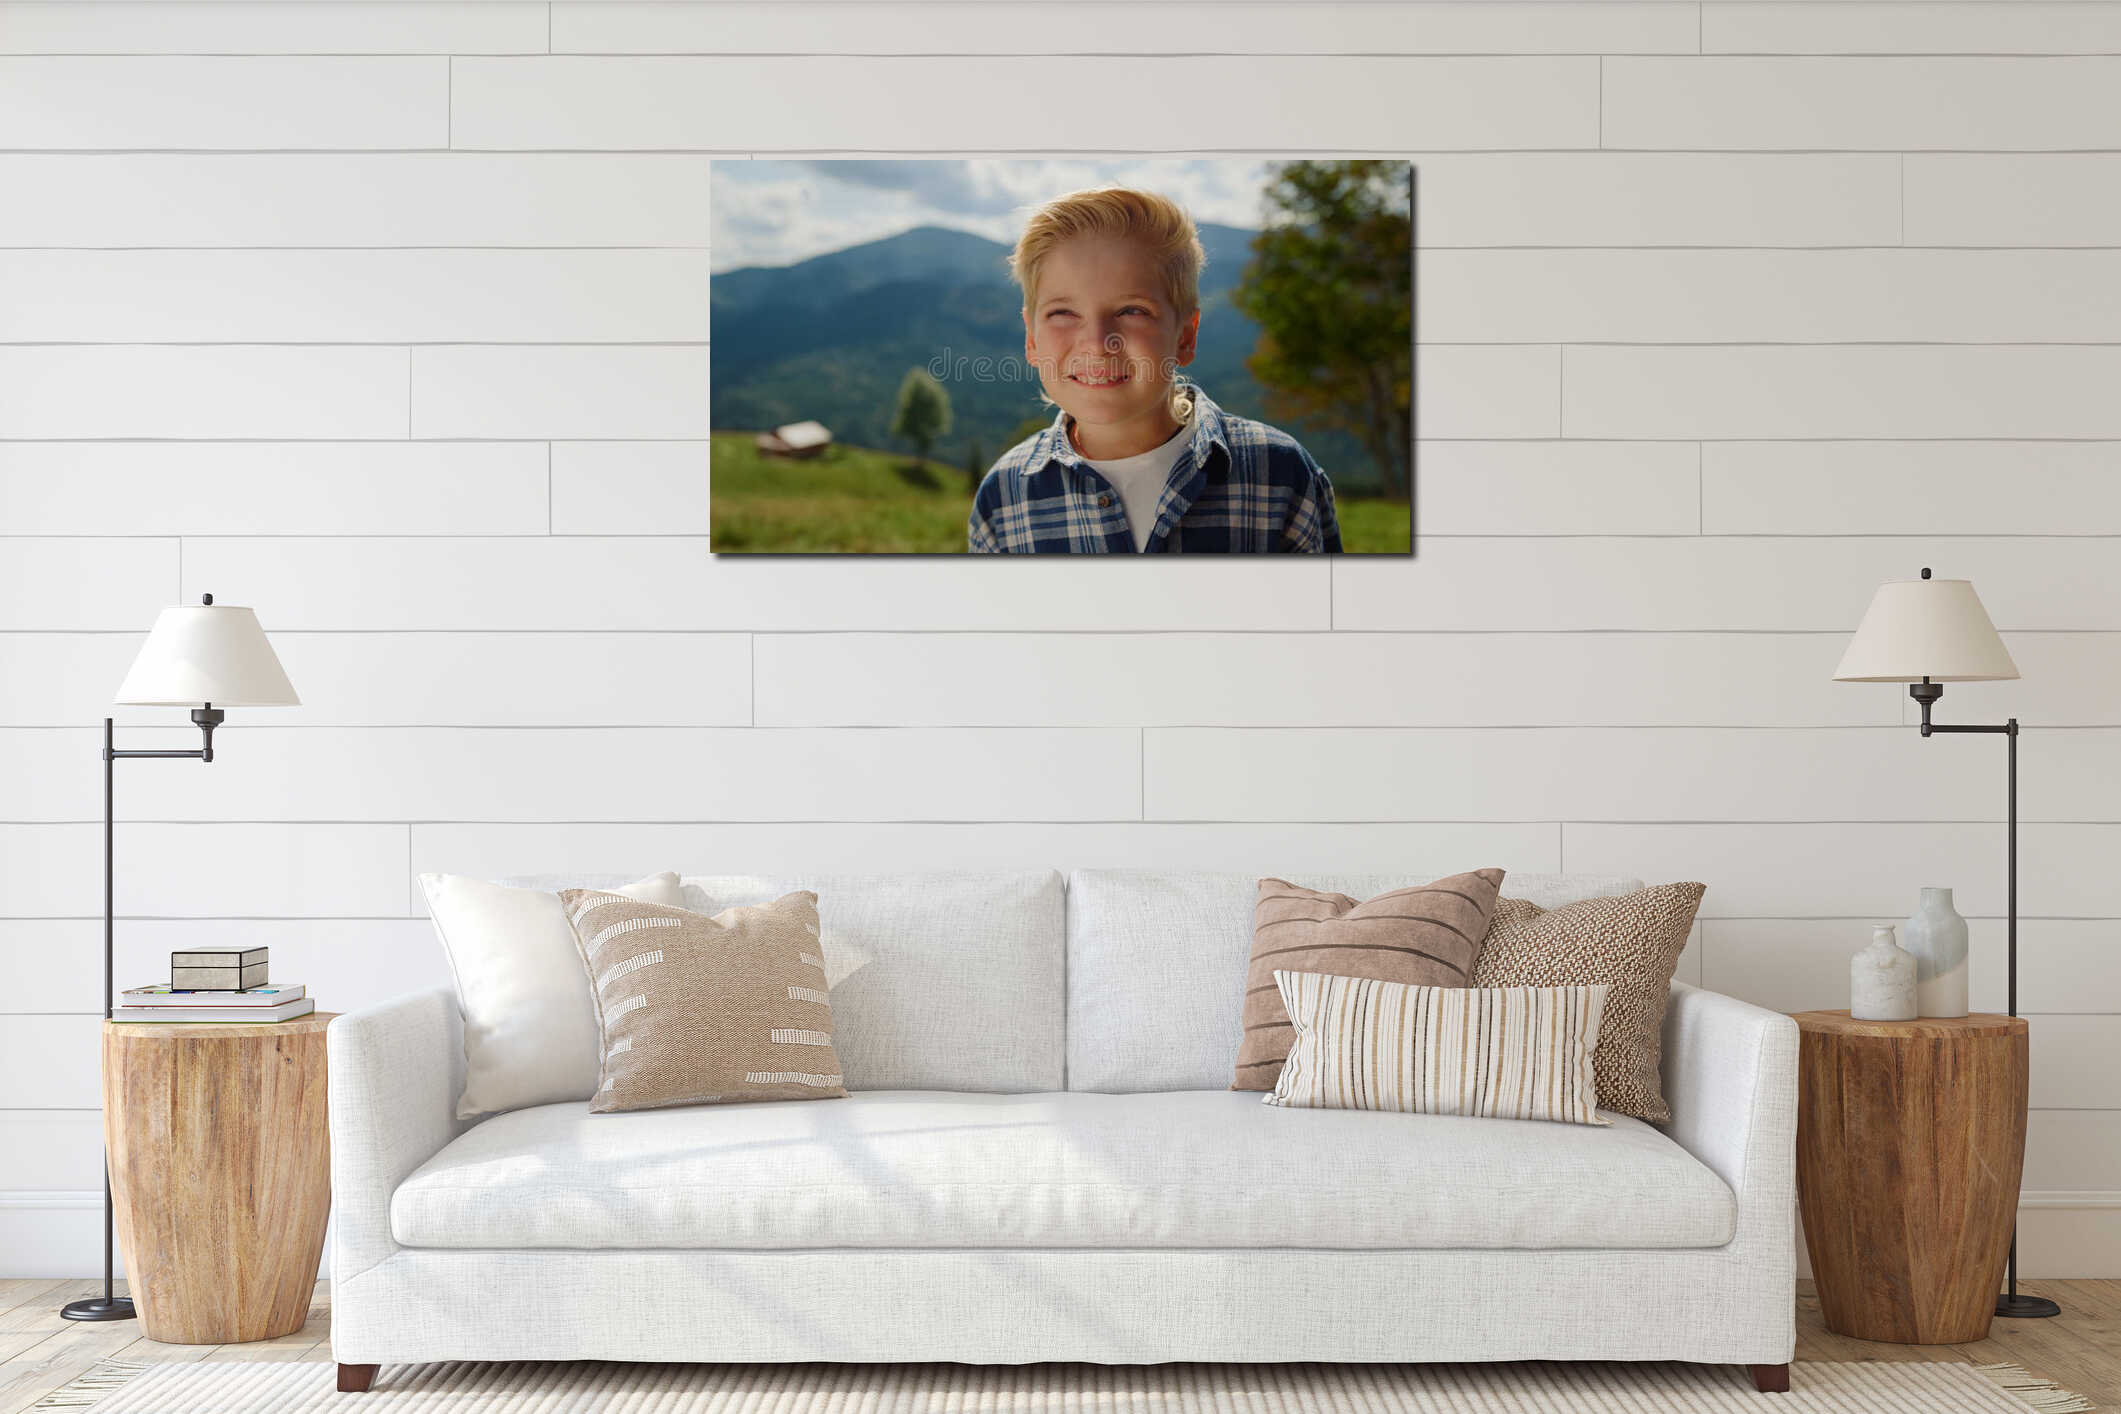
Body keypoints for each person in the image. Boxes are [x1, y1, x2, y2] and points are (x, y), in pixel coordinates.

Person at [967, 186, 1341, 554]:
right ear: (1032, 339)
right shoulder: (1003, 499)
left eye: (1133, 311)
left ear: (1185, 337)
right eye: (1063, 313)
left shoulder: (1280, 476)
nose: (1098, 343)